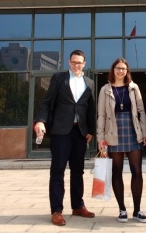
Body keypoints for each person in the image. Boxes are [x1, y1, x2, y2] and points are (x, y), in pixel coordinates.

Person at [34, 50, 96, 226]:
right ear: (69, 62)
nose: (77, 65)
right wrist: (40, 120)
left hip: (80, 133)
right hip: (61, 131)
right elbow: (47, 101)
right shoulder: (59, 78)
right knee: (58, 171)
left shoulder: (89, 82)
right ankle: (56, 211)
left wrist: (90, 130)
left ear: (84, 64)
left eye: (80, 63)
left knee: (78, 171)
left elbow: (90, 109)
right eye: (74, 62)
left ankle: (77, 206)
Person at [97, 58, 146, 223]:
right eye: (118, 68)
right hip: (112, 132)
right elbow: (101, 115)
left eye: (124, 69)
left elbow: (141, 111)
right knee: (117, 172)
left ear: (127, 71)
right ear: (113, 70)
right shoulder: (105, 90)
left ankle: (137, 210)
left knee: (137, 171)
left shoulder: (133, 88)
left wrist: (144, 132)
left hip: (133, 131)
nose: (121, 71)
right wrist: (100, 138)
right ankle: (122, 209)